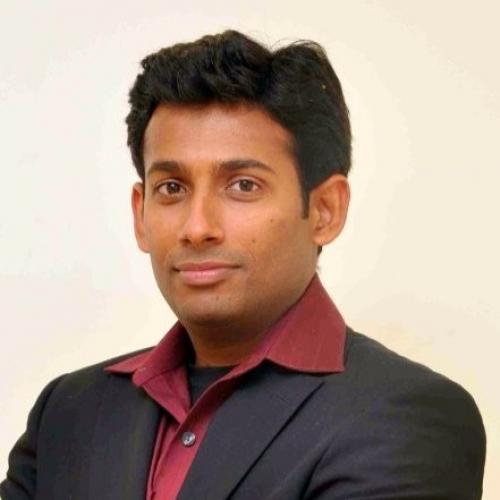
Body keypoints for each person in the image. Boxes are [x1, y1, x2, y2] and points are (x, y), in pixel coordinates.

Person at [1, 30, 486, 500]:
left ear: (325, 210)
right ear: (140, 213)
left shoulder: (403, 415)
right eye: (171, 188)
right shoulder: (68, 413)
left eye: (243, 186)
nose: (197, 227)